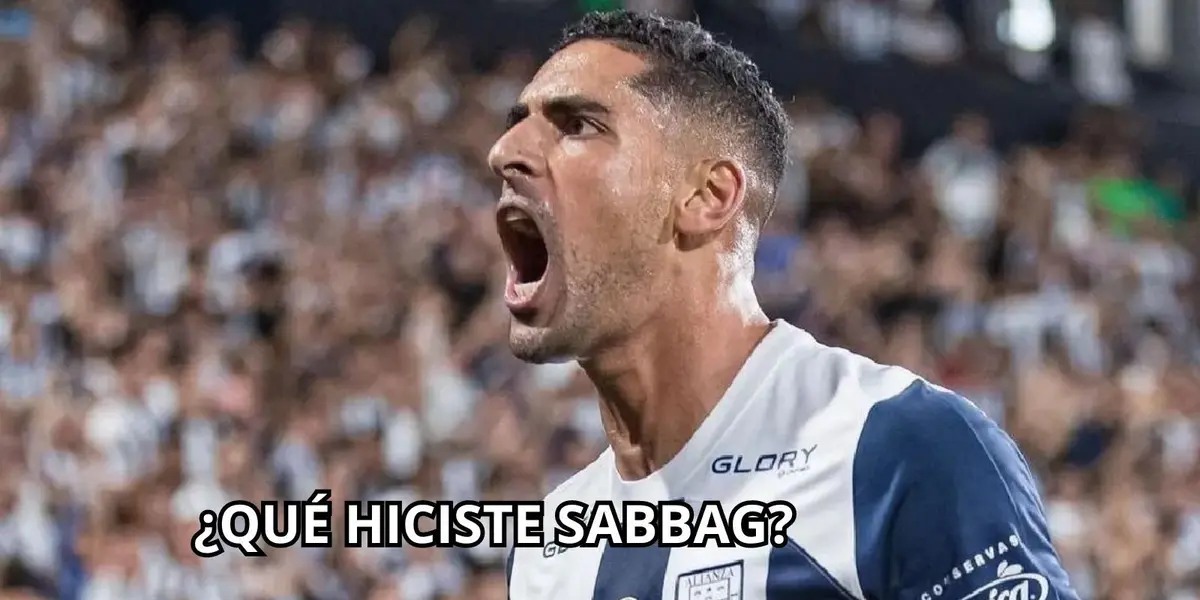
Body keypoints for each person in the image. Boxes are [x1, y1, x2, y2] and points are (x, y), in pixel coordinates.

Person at [488, 10, 1079, 600]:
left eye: (577, 125)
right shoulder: (548, 553)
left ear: (707, 196)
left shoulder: (898, 448)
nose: (503, 152)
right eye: (517, 123)